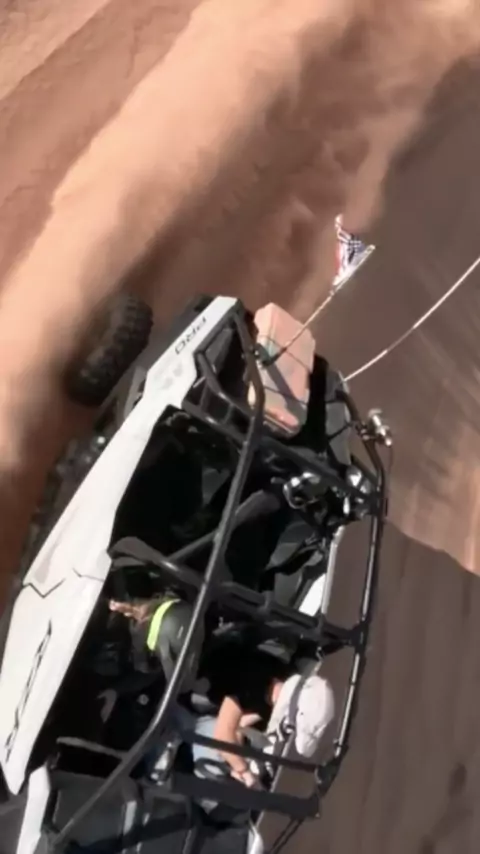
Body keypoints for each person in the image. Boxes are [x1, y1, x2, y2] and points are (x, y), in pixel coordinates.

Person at [188, 639, 335, 789]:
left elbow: (235, 729)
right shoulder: (245, 689)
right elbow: (223, 736)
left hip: (235, 679)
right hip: (210, 683)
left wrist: (243, 767)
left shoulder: (267, 685)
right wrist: (244, 770)